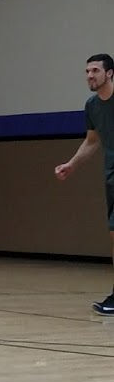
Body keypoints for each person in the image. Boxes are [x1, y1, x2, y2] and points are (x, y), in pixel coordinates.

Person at [55, 52, 114, 314]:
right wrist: (72, 164)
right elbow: (92, 141)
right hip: (111, 176)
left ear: (109, 73)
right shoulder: (92, 106)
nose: (90, 75)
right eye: (87, 71)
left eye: (95, 71)